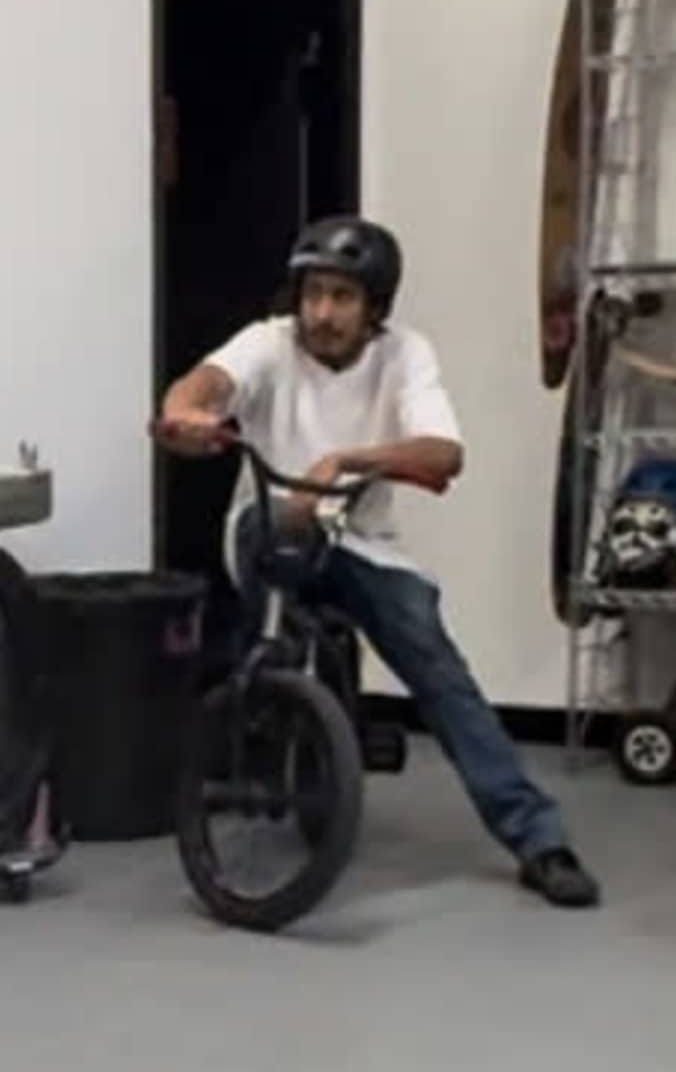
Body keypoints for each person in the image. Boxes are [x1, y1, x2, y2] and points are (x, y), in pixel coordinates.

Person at [157, 213, 601, 911]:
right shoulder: (268, 345)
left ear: (376, 309)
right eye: (313, 293)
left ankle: (538, 837)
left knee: (436, 665)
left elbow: (443, 453)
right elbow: (202, 385)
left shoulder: (405, 356)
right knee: (283, 539)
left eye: (341, 297)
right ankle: (268, 702)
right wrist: (188, 414)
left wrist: (352, 460)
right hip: (269, 525)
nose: (322, 312)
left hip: (362, 541)